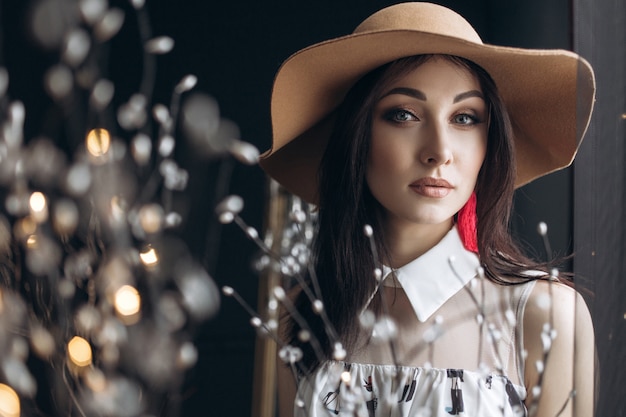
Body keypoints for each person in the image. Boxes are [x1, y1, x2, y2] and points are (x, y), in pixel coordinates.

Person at [259, 3, 596, 417]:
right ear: (356, 136)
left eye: (465, 117)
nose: (439, 151)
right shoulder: (301, 313)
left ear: (490, 143)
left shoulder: (542, 314)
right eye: (404, 114)